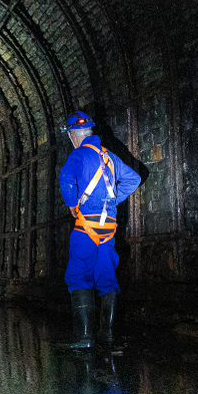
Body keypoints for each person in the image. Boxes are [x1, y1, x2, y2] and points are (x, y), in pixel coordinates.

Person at [59, 110, 141, 348]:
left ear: (75, 135)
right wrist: (113, 200)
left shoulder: (78, 155)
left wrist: (74, 205)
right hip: (109, 226)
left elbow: (66, 179)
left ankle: (85, 338)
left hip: (87, 225)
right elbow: (134, 179)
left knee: (79, 275)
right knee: (106, 275)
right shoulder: (110, 157)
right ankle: (107, 335)